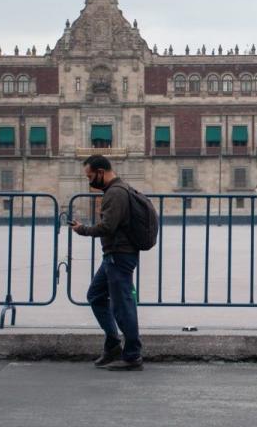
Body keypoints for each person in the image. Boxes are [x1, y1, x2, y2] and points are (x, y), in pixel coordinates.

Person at [70, 155, 144, 371]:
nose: (89, 181)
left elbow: (108, 227)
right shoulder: (117, 190)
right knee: (96, 295)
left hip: (119, 255)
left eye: (90, 176)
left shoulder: (116, 193)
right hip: (114, 255)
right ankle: (113, 344)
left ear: (101, 172)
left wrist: (82, 229)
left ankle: (132, 356)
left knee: (123, 306)